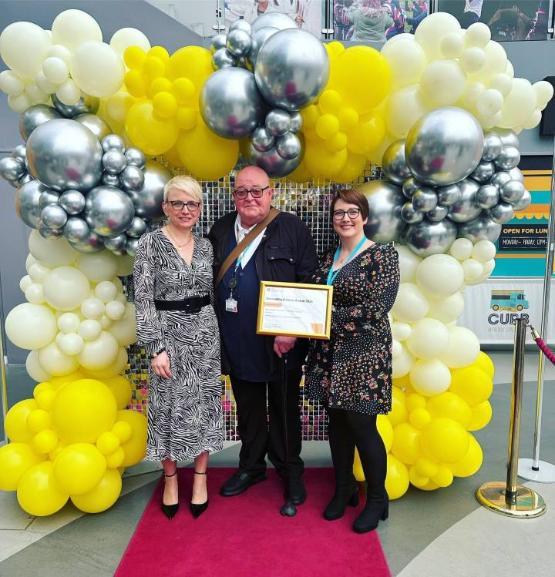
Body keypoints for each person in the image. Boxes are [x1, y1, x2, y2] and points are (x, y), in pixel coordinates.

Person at [209, 166, 318, 506]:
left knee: (285, 409)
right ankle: (252, 466)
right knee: (249, 410)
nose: (250, 198)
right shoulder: (222, 229)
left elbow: (310, 281)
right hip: (237, 342)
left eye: (257, 191)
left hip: (281, 344)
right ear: (234, 195)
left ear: (271, 193)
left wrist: (291, 330)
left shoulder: (292, 228)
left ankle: (290, 471)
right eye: (242, 191)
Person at [305, 188, 400, 534]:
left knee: (363, 426)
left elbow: (378, 307)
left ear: (365, 216)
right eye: (339, 213)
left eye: (352, 212)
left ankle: (377, 497)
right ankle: (344, 487)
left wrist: (324, 316)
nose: (345, 218)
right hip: (329, 354)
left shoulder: (382, 256)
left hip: (363, 354)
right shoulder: (328, 259)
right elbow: (311, 301)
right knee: (338, 425)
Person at [133, 176, 223, 520]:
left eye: (192, 204)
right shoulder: (149, 244)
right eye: (178, 203)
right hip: (168, 337)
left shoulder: (205, 246)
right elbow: (142, 300)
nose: (186, 210)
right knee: (166, 406)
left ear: (200, 208)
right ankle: (170, 479)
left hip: (205, 335)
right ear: (165, 207)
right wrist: (156, 347)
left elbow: (210, 293)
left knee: (205, 405)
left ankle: (200, 479)